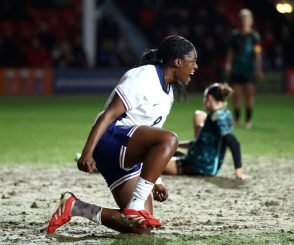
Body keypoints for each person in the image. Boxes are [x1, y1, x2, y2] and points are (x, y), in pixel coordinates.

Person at [47, 35, 198, 234]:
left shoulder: (168, 92)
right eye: (193, 61)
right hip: (110, 140)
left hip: (127, 150)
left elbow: (150, 141)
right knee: (171, 139)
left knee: (141, 228)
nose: (195, 67)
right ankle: (135, 206)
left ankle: (76, 207)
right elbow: (109, 114)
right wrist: (87, 152)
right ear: (178, 62)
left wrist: (157, 180)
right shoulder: (144, 76)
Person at [163, 83, 250, 180]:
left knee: (154, 162)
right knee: (199, 115)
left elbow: (234, 143)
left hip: (200, 166)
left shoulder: (219, 117)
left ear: (209, 98)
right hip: (204, 164)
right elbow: (201, 143)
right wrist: (177, 145)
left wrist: (238, 172)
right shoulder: (222, 114)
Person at [224, 8, 264, 128]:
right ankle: (236, 119)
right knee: (236, 95)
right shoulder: (234, 36)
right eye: (242, 19)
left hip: (249, 70)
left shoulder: (254, 37)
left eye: (247, 19)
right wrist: (228, 65)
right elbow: (230, 52)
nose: (244, 21)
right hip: (237, 69)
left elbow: (258, 54)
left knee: (249, 95)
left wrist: (259, 69)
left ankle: (248, 120)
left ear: (251, 21)